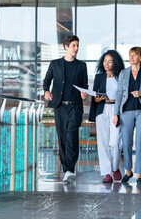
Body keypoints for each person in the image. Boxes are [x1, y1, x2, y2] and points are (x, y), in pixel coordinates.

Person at [43, 35, 88, 183]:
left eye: (77, 46)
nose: (76, 49)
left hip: (75, 106)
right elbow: (47, 80)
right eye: (74, 46)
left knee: (71, 137)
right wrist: (46, 91)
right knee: (62, 138)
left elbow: (84, 86)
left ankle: (70, 170)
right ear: (66, 47)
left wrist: (83, 94)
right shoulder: (55, 64)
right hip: (60, 107)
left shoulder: (81, 66)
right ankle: (67, 169)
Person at [113, 46, 141, 186]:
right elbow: (119, 94)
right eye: (130, 55)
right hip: (126, 111)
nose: (131, 57)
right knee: (126, 142)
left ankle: (139, 175)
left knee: (140, 142)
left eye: (134, 55)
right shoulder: (123, 74)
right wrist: (116, 113)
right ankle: (128, 171)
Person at [89, 50, 125, 183]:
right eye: (105, 61)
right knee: (103, 143)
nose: (107, 64)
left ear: (115, 63)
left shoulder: (121, 77)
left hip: (116, 110)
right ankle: (106, 173)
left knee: (115, 142)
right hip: (102, 110)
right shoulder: (99, 77)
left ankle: (115, 168)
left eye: (110, 61)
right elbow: (95, 97)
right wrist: (97, 99)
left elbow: (124, 96)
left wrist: (119, 113)